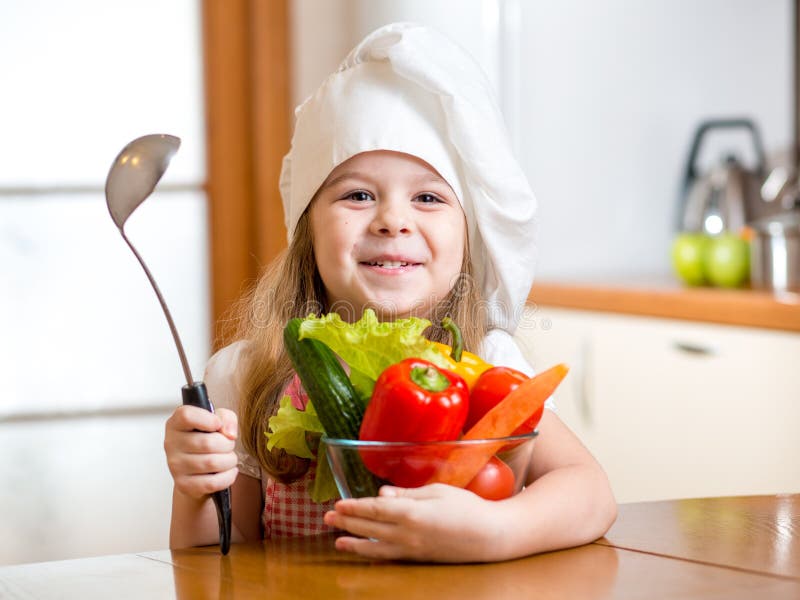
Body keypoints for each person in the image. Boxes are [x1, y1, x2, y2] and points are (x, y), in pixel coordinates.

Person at [164, 22, 616, 563]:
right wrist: (195, 486)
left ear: (468, 236)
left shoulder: (484, 364)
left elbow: (591, 492)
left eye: (428, 198)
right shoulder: (244, 376)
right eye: (357, 195)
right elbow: (209, 560)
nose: (393, 221)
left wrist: (498, 530)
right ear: (307, 228)